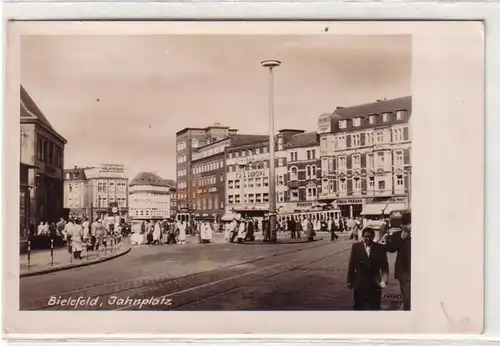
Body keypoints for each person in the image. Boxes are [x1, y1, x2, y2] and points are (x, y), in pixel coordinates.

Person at [346, 228, 389, 310]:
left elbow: (384, 267)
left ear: (373, 237)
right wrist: (349, 280)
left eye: (370, 236)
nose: (368, 239)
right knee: (358, 306)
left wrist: (384, 281)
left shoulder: (380, 248)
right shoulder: (356, 247)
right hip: (360, 283)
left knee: (374, 307)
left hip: (375, 284)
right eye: (366, 236)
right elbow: (352, 265)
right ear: (362, 237)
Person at [385, 224, 411, 310]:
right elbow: (391, 248)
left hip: (405, 270)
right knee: (408, 295)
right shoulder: (398, 234)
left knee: (407, 295)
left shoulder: (398, 234)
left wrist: (387, 239)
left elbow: (391, 248)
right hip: (405, 271)